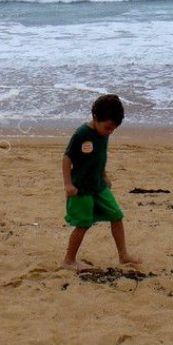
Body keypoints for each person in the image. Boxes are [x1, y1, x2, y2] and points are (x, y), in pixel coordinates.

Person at [61, 93, 141, 270]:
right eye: (107, 128)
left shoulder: (103, 133)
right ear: (95, 118)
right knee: (83, 223)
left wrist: (104, 174)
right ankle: (69, 260)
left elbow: (98, 157)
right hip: (81, 188)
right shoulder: (82, 134)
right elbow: (67, 158)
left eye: (113, 129)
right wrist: (68, 184)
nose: (109, 132)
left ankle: (123, 255)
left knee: (116, 215)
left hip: (99, 185)